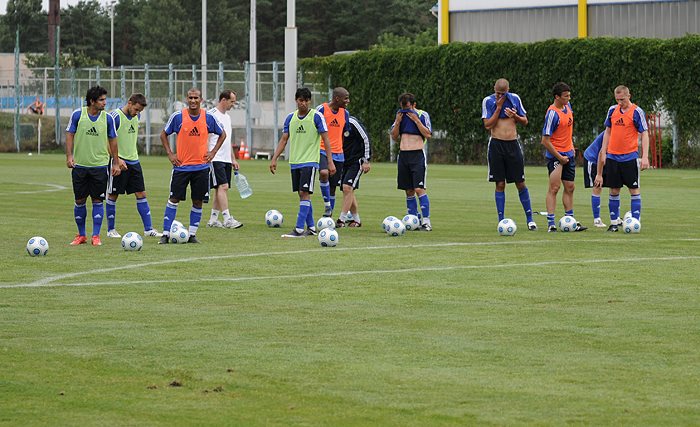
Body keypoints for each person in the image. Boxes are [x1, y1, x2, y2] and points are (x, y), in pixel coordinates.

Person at [158, 88, 226, 244]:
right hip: (181, 167)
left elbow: (222, 134)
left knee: (198, 201)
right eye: (190, 98)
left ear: (201, 100)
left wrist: (213, 152)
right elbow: (163, 134)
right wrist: (170, 153)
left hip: (201, 168)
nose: (193, 100)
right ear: (186, 99)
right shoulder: (178, 117)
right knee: (173, 199)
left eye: (196, 98)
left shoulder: (208, 117)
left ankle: (192, 235)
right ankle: (165, 234)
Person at [269, 87, 335, 238]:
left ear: (309, 101)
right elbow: (284, 140)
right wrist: (274, 158)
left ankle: (299, 229)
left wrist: (330, 162)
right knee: (301, 194)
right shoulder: (290, 118)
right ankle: (311, 228)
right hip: (295, 162)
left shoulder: (316, 117)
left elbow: (326, 139)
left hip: (310, 161)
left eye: (306, 101)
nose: (303, 103)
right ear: (296, 101)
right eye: (300, 100)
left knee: (304, 193)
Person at [65, 85, 124, 246]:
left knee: (98, 200)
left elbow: (113, 141)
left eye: (105, 99)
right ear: (92, 101)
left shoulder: (108, 118)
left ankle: (96, 236)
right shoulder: (78, 114)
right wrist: (69, 156)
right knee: (79, 200)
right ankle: (81, 235)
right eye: (101, 100)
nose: (105, 103)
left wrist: (116, 162)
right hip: (80, 166)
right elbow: (69, 134)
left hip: (100, 167)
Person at [481, 78, 536, 230]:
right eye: (497, 93)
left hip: (512, 145)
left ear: (508, 90)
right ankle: (501, 220)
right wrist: (498, 108)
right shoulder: (488, 101)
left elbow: (525, 121)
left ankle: (530, 220)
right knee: (500, 183)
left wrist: (515, 116)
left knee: (520, 182)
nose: (500, 96)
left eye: (503, 93)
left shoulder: (515, 98)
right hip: (496, 145)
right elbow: (487, 125)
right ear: (494, 89)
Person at [105, 93, 162, 239]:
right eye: (136, 109)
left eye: (140, 111)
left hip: (134, 161)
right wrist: (117, 160)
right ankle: (111, 230)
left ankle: (148, 229)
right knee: (113, 195)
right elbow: (106, 140)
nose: (137, 113)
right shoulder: (114, 117)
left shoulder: (137, 116)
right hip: (118, 161)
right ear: (129, 103)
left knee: (141, 194)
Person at [594, 85, 649, 232]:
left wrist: (645, 156)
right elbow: (608, 131)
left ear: (629, 96)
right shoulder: (612, 110)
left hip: (630, 157)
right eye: (617, 100)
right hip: (612, 157)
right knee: (613, 190)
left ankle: (635, 222)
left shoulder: (637, 112)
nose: (620, 102)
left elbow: (644, 133)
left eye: (622, 99)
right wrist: (603, 151)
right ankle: (614, 223)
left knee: (634, 190)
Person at [540, 82, 587, 232]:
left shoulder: (568, 107)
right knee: (554, 188)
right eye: (566, 96)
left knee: (570, 187)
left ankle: (570, 221)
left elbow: (567, 130)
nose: (569, 98)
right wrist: (559, 157)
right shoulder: (552, 114)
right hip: (555, 156)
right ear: (557, 97)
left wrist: (570, 146)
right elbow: (545, 140)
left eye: (569, 95)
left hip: (568, 154)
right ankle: (551, 224)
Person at [390, 93, 433, 231]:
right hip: (403, 156)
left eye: (408, 107)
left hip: (417, 155)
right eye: (403, 107)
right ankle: (413, 220)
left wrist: (416, 120)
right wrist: (398, 122)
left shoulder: (422, 115)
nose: (405, 110)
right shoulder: (400, 115)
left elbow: (428, 134)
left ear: (414, 105)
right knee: (408, 190)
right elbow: (394, 136)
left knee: (419, 189)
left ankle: (426, 221)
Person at [206, 89, 243, 229]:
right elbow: (206, 136)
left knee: (219, 189)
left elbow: (227, 140)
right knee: (223, 186)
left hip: (225, 158)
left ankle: (213, 220)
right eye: (231, 102)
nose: (233, 104)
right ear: (223, 100)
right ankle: (227, 219)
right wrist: (207, 154)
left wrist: (233, 159)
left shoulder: (227, 117)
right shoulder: (211, 115)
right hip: (215, 157)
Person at [316, 87, 350, 218]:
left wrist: (340, 149)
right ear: (337, 98)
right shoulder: (321, 110)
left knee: (333, 187)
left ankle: (328, 217)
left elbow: (344, 134)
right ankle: (327, 205)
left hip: (338, 153)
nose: (348, 101)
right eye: (345, 98)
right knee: (324, 173)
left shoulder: (345, 113)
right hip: (322, 150)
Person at [336, 115, 371, 227]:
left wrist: (366, 160)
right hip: (342, 161)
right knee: (347, 191)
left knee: (347, 187)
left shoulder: (352, 123)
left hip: (356, 161)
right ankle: (356, 220)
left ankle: (341, 220)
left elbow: (365, 139)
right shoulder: (333, 123)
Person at [583, 131, 608, 227]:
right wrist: (599, 174)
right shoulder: (612, 131)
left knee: (614, 186)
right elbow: (601, 153)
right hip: (593, 159)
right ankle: (597, 219)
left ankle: (616, 218)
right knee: (597, 186)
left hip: (606, 159)